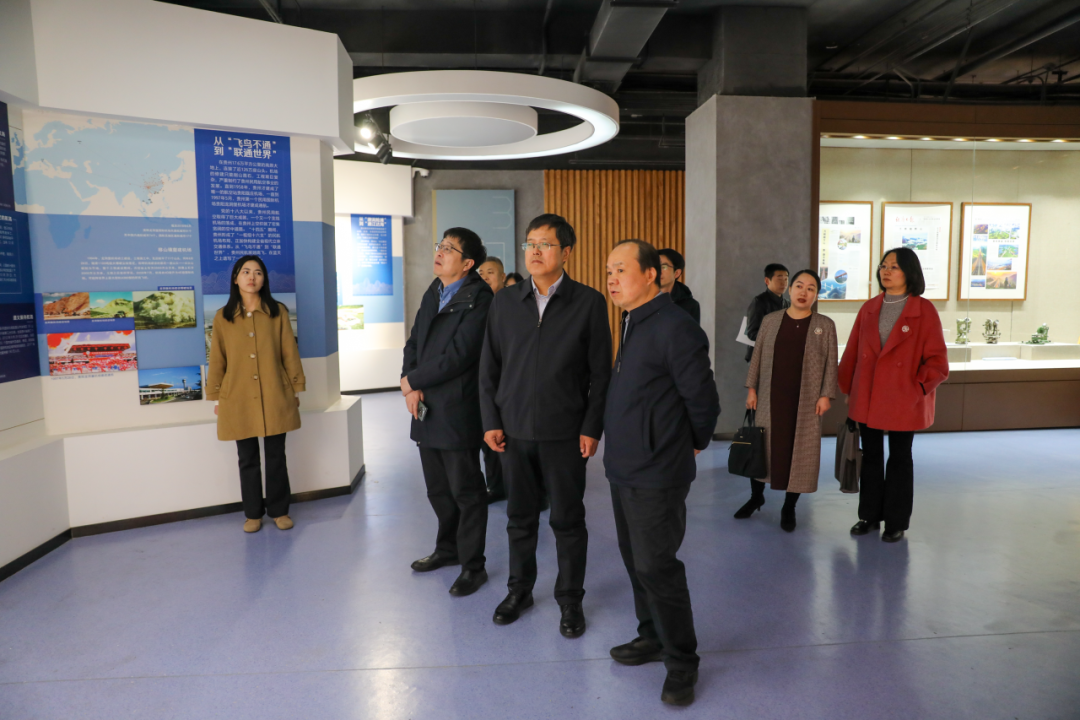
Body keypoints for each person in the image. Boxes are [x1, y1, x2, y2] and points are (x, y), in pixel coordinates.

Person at [479, 213, 611, 638]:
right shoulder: (505, 301)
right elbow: (489, 368)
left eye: (545, 244)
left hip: (565, 434)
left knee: (568, 521)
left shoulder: (588, 302)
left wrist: (591, 427)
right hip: (513, 432)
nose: (535, 251)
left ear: (566, 252)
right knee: (519, 518)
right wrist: (491, 421)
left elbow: (600, 374)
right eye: (530, 244)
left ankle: (570, 600)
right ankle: (519, 591)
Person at [603, 239, 720, 707]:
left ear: (651, 274)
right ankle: (651, 635)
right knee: (636, 561)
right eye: (608, 271)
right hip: (624, 465)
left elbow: (703, 401)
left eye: (621, 269)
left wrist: (689, 442)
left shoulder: (676, 326)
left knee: (657, 566)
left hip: (657, 470)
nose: (612, 279)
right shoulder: (632, 320)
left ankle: (682, 662)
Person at [401, 228, 494, 597]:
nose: (439, 252)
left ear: (467, 263)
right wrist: (411, 382)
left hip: (457, 407)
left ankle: (473, 566)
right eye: (440, 245)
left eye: (449, 249)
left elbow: (460, 356)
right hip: (425, 405)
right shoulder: (434, 290)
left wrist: (412, 381)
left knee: (466, 491)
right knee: (438, 488)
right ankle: (448, 548)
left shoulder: (480, 298)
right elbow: (414, 341)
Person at [839, 247, 949, 543]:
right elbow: (852, 351)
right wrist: (848, 388)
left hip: (905, 397)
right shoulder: (869, 308)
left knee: (900, 458)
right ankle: (869, 515)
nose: (886, 271)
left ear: (909, 272)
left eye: (894, 267)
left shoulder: (924, 310)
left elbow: (938, 361)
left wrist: (918, 388)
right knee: (871, 456)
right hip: (868, 395)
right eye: (883, 266)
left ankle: (896, 521)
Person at [207, 255, 305, 534]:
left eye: (258, 272)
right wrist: (217, 397)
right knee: (247, 458)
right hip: (236, 396)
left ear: (264, 279)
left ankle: (279, 511)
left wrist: (295, 389)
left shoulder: (278, 312)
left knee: (276, 456)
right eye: (246, 272)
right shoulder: (223, 317)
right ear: (235, 278)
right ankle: (252, 514)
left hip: (275, 392)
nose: (252, 277)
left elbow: (289, 352)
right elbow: (217, 360)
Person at [740, 269, 838, 531]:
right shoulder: (771, 320)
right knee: (762, 447)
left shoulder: (825, 325)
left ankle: (789, 506)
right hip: (770, 396)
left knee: (800, 452)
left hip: (805, 399)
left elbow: (831, 363)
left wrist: (826, 395)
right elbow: (757, 355)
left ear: (816, 295)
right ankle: (756, 497)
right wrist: (752, 389)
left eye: (810, 288)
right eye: (799, 286)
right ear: (791, 289)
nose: (804, 292)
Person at [476, 257, 508, 502]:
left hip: (507, 383)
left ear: (503, 278)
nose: (485, 277)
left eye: (491, 272)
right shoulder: (476, 306)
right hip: (484, 381)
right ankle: (495, 486)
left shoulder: (512, 305)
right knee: (488, 436)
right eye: (481, 273)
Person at [744, 263, 790, 362]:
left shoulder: (788, 304)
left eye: (786, 279)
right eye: (779, 279)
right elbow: (752, 333)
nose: (784, 283)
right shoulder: (759, 302)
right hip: (761, 357)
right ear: (767, 281)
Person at [657, 248, 700, 323]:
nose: (658, 271)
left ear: (676, 273)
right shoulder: (640, 300)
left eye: (664, 267)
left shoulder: (690, 305)